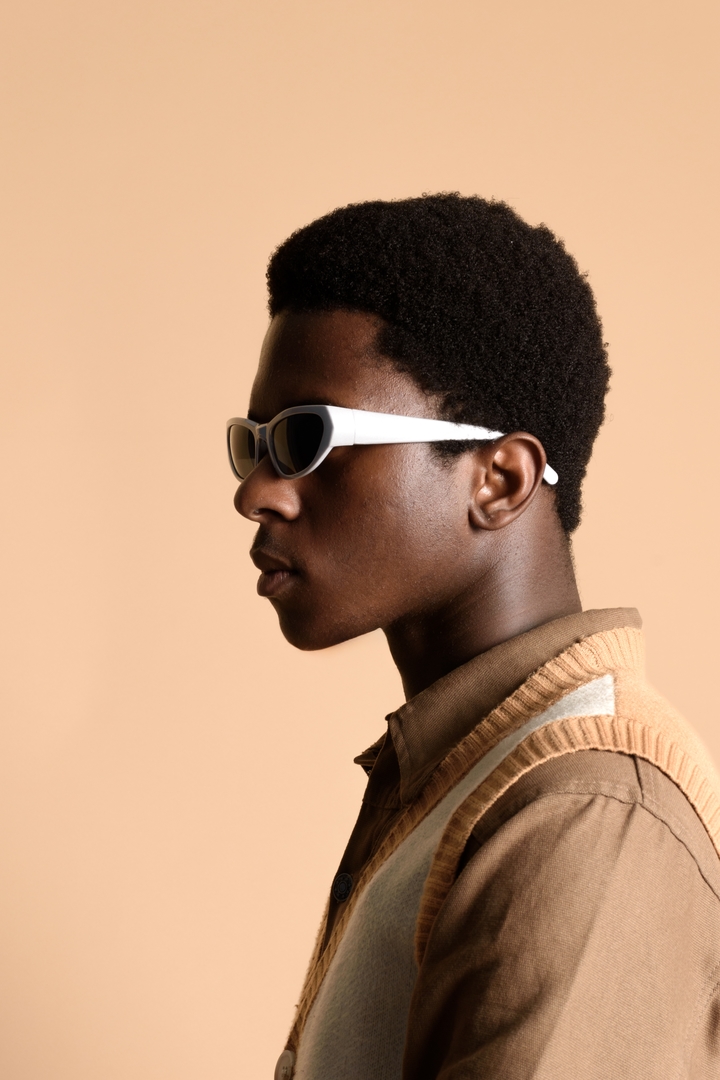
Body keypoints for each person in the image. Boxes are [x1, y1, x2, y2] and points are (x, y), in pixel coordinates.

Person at [228, 195, 720, 1079]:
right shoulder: (465, 771)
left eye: (306, 438)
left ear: (499, 479)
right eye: (253, 444)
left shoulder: (586, 810)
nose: (256, 492)